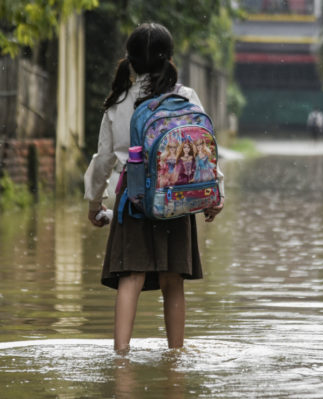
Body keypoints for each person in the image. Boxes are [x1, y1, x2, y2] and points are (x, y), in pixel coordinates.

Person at [83, 22, 225, 353]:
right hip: (176, 196)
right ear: (169, 58)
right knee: (173, 280)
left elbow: (103, 160)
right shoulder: (185, 96)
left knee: (129, 277)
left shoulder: (118, 102)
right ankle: (176, 357)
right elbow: (204, 150)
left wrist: (94, 204)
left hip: (132, 198)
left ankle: (121, 357)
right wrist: (215, 194)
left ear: (130, 60)